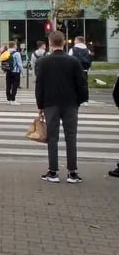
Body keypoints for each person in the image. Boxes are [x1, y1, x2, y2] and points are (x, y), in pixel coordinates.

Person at [35, 31, 88, 184]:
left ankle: (53, 172)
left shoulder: (43, 62)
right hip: (71, 104)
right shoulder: (73, 61)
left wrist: (40, 105)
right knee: (71, 137)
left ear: (50, 43)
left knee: (52, 138)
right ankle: (72, 172)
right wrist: (80, 100)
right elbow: (81, 84)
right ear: (64, 43)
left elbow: (40, 86)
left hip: (51, 104)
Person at [68, 36, 94, 106]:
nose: (74, 42)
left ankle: (74, 99)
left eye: (75, 40)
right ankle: (85, 100)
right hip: (84, 70)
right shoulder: (87, 50)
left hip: (74, 70)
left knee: (73, 85)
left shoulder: (72, 50)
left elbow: (69, 60)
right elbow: (89, 60)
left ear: (78, 41)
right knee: (84, 85)